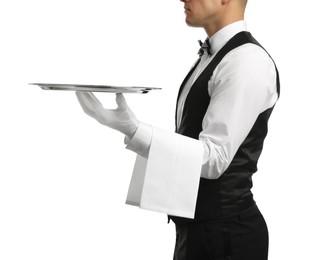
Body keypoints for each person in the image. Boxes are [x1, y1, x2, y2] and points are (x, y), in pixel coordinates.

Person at [76, 0, 280, 259]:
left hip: (226, 238)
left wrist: (135, 129)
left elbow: (215, 158)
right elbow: (192, 137)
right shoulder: (218, 55)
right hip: (198, 232)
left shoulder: (246, 61)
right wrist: (128, 128)